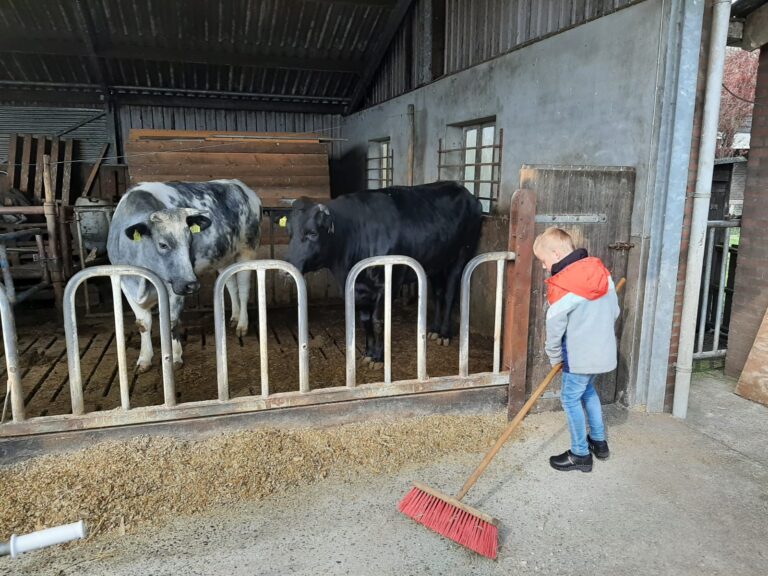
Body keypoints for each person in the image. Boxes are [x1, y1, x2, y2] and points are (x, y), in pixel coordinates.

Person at [532, 227, 620, 472]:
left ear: (557, 253)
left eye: (543, 260)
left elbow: (554, 329)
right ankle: (599, 442)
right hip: (603, 351)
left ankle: (580, 453)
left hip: (580, 356)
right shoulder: (601, 272)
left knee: (570, 398)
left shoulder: (562, 286)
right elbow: (615, 312)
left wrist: (554, 357)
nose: (542, 266)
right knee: (587, 390)